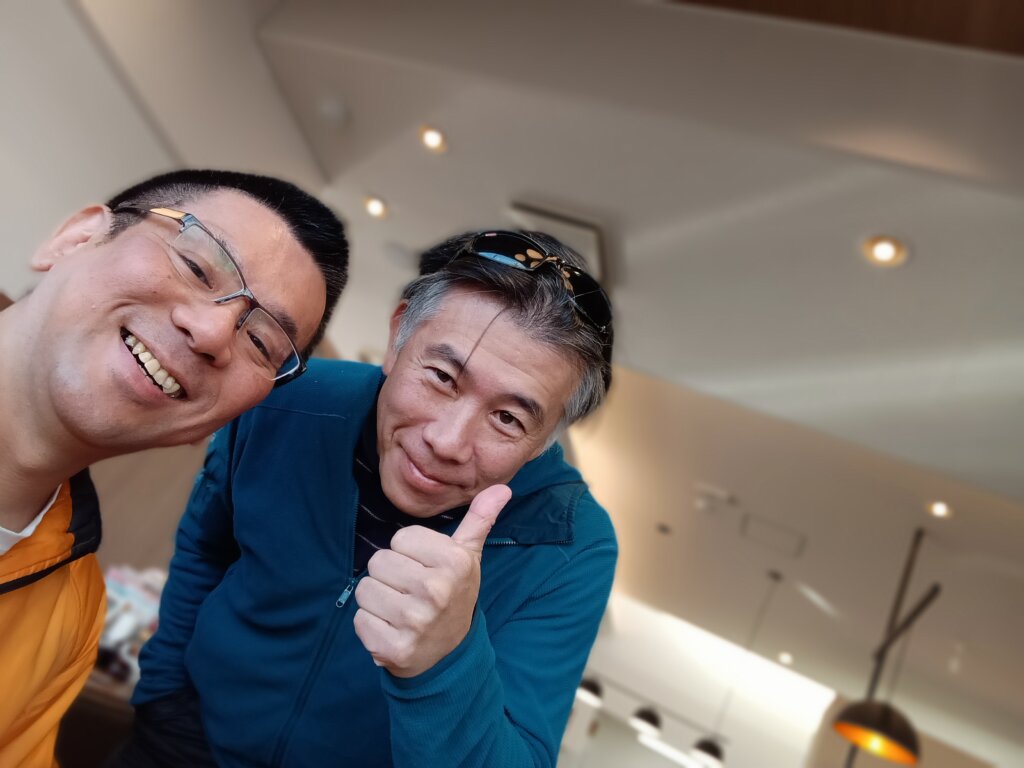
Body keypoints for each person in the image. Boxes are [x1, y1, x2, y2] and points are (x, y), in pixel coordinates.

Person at [120, 230, 618, 767]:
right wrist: (163, 693)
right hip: (181, 740)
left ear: (544, 440)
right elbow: (205, 548)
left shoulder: (572, 544)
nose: (446, 442)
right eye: (442, 377)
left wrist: (444, 660)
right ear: (398, 334)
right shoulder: (287, 397)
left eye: (507, 418)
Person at [0, 169, 349, 767]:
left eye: (261, 343)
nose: (213, 332)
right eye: (197, 267)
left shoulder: (70, 615)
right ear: (75, 238)